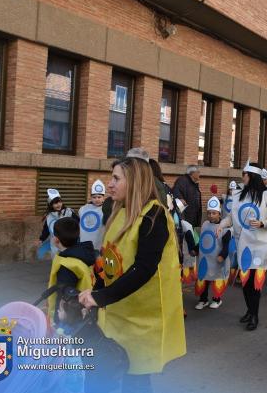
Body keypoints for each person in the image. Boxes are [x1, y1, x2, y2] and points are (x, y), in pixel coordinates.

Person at [79, 149, 185, 393]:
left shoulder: (154, 216)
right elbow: (110, 263)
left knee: (135, 379)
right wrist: (94, 293)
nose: (109, 184)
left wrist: (100, 297)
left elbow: (143, 269)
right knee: (119, 374)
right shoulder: (119, 212)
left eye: (116, 178)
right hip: (119, 312)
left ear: (134, 180)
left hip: (143, 319)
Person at [218, 161, 267, 331]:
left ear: (251, 176)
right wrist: (222, 225)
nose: (242, 177)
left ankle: (254, 314)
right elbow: (232, 217)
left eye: (244, 174)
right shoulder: (238, 194)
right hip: (243, 243)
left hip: (260, 245)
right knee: (245, 282)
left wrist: (262, 223)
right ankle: (249, 310)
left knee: (254, 282)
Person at [47, 217, 95, 327]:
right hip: (85, 307)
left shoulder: (67, 265)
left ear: (56, 239)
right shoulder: (83, 254)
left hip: (70, 317)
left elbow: (65, 294)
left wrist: (58, 319)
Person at [194, 197, 232, 310]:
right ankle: (203, 299)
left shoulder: (225, 229)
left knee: (217, 279)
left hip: (217, 259)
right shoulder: (205, 224)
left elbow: (226, 245)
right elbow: (202, 240)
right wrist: (195, 249)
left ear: (219, 214)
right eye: (209, 213)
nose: (211, 215)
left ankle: (217, 299)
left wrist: (222, 255)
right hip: (205, 259)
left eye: (214, 213)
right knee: (203, 278)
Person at [39, 188, 78, 258]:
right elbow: (46, 229)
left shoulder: (69, 212)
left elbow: (78, 222)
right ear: (50, 204)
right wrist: (41, 239)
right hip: (55, 244)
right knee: (57, 259)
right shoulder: (49, 216)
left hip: (68, 242)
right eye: (55, 203)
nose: (58, 204)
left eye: (60, 202)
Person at [79, 180, 107, 255]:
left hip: (98, 244)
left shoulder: (106, 209)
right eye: (94, 197)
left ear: (103, 197)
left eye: (99, 197)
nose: (97, 199)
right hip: (84, 244)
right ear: (91, 197)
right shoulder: (83, 209)